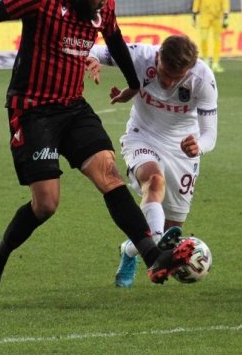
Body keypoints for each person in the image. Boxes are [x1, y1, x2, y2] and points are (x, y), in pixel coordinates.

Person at [0, 0, 195, 305]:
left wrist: (133, 84)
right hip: (32, 111)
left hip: (72, 107)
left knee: (110, 175)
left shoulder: (104, 8)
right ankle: (0, 254)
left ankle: (152, 257)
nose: (104, 1)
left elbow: (114, 41)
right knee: (46, 204)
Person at [88, 34, 218, 288]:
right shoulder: (139, 55)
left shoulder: (203, 79)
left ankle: (129, 250)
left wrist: (198, 146)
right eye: (164, 73)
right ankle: (156, 252)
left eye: (175, 77)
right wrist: (92, 59)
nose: (168, 82)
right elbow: (95, 50)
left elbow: (210, 134)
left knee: (174, 225)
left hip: (183, 149)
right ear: (157, 58)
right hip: (143, 136)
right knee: (154, 180)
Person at [191, 0, 230, 73]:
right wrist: (194, 12)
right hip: (204, 15)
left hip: (217, 16)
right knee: (203, 38)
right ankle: (206, 60)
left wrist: (226, 15)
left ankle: (216, 62)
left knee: (217, 39)